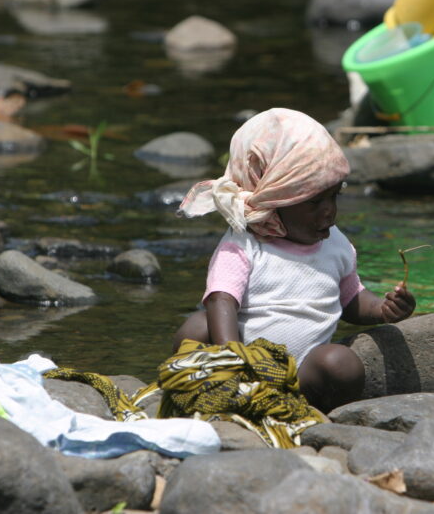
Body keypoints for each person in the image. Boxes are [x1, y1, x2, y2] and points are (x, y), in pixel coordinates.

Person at [174, 108, 416, 412]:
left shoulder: (336, 243)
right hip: (243, 366)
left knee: (341, 364)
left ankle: (316, 414)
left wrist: (383, 308)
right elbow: (221, 301)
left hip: (302, 375)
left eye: (334, 196)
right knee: (196, 328)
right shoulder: (244, 244)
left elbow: (350, 298)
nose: (328, 211)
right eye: (315, 202)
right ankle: (217, 398)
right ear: (274, 202)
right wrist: (234, 360)